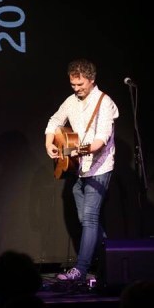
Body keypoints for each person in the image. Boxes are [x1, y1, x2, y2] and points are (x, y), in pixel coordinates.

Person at [45, 58, 119, 282]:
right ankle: (113, 262)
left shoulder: (104, 103)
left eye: (80, 84)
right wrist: (49, 143)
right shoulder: (71, 101)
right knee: (86, 218)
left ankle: (81, 269)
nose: (76, 89)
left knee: (89, 218)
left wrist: (79, 150)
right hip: (79, 169)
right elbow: (55, 120)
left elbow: (100, 141)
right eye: (73, 84)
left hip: (99, 168)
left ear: (91, 79)